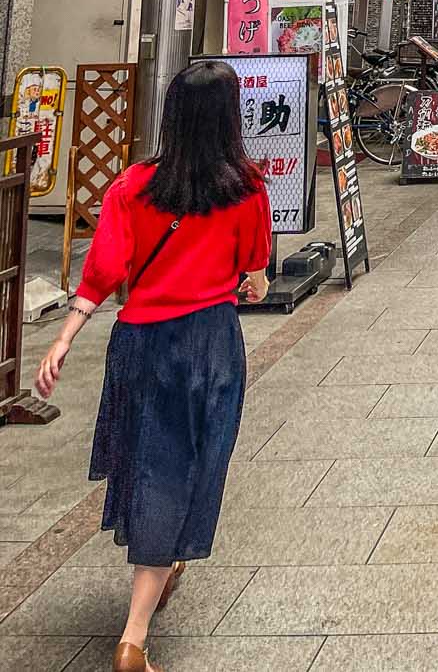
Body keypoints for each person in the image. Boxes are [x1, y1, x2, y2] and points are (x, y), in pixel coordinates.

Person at [35, 59, 273, 672]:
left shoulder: (131, 187)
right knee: (189, 467)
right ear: (228, 120)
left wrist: (63, 338)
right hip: (210, 345)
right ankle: (133, 638)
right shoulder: (246, 188)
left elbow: (103, 272)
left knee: (150, 463)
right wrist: (246, 283)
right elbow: (254, 275)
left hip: (140, 345)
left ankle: (161, 566)